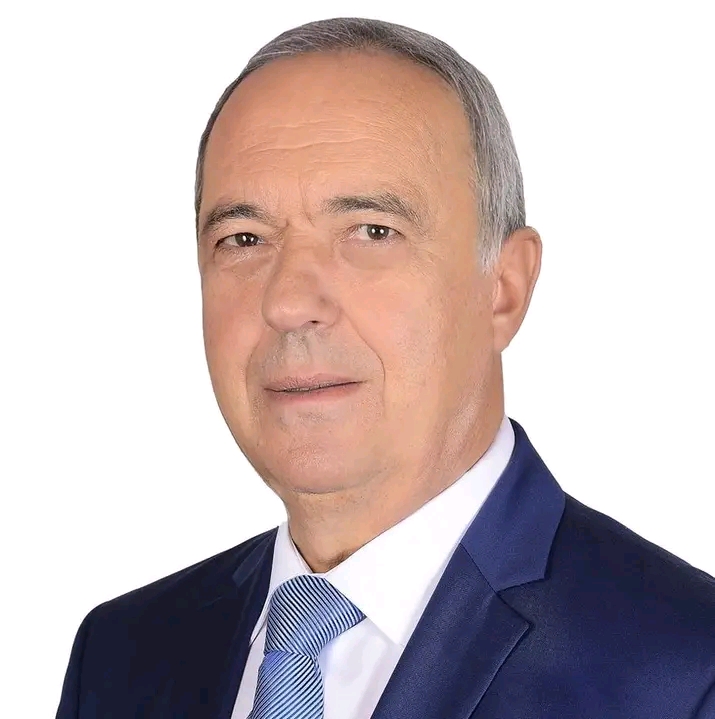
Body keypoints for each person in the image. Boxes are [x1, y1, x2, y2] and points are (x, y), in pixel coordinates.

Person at [55, 17, 715, 719]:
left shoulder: (685, 673)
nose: (287, 302)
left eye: (373, 231)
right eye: (243, 238)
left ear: (504, 287)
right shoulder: (121, 656)